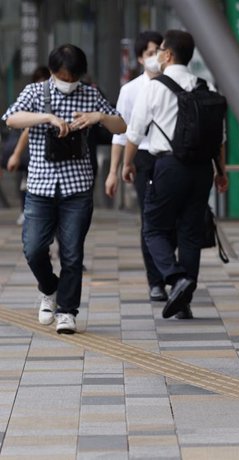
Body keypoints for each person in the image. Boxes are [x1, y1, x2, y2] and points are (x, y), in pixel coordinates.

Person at [2, 44, 126, 334]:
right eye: (63, 77)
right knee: (33, 249)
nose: (68, 83)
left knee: (72, 253)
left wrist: (98, 118)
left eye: (73, 78)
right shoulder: (35, 92)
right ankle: (49, 288)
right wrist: (46, 118)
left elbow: (121, 126)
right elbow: (10, 118)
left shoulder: (90, 93)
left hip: (77, 188)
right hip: (40, 186)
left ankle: (67, 311)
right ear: (53, 72)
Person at [122, 29, 228, 320]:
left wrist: (126, 164)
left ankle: (174, 277)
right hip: (202, 170)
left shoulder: (154, 87)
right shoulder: (206, 87)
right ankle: (184, 302)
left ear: (167, 55)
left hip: (169, 167)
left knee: (154, 228)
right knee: (190, 234)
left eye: (160, 51)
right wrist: (221, 172)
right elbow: (219, 136)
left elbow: (135, 131)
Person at [105, 31, 167, 302]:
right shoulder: (130, 90)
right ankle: (156, 280)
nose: (155, 57)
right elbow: (121, 132)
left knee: (173, 220)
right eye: (150, 52)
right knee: (150, 220)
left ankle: (171, 272)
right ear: (141, 57)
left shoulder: (176, 85)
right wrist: (115, 170)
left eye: (160, 51)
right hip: (142, 157)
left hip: (172, 158)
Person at [4, 66, 51, 226]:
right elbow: (17, 124)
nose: (42, 84)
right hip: (31, 154)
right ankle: (26, 211)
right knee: (26, 184)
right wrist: (17, 154)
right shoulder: (32, 95)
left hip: (51, 156)